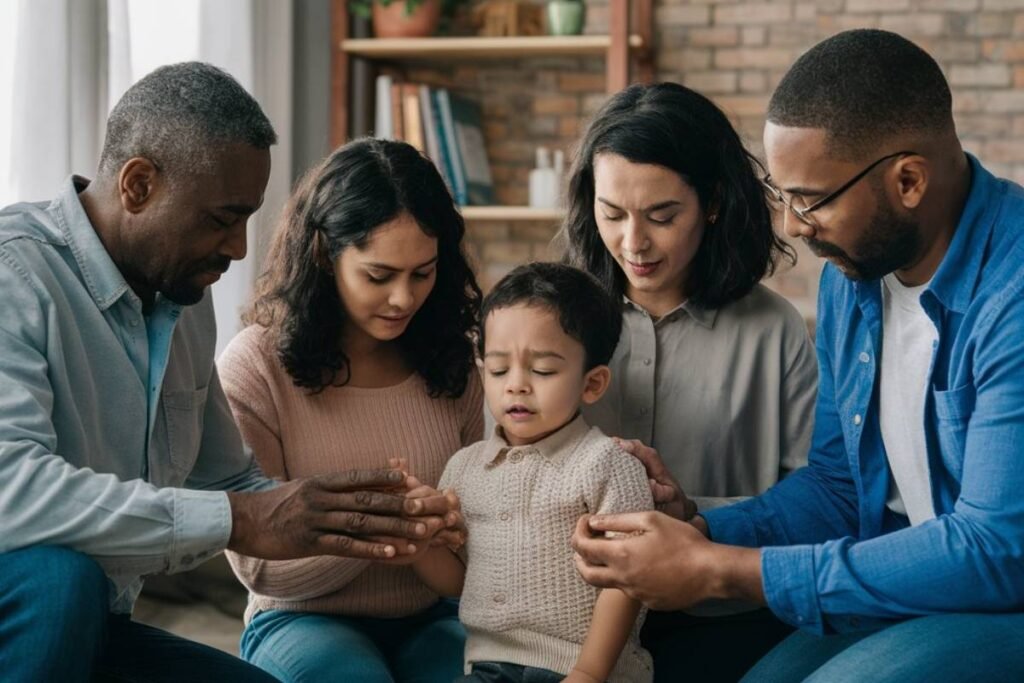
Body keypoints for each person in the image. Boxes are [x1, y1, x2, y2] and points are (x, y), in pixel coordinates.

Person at [573, 29, 1024, 682]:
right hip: (917, 594)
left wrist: (726, 570)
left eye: (810, 200)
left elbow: (996, 551)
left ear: (908, 180)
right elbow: (839, 489)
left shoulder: (1011, 286)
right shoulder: (854, 279)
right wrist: (700, 526)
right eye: (783, 197)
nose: (790, 226)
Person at [0, 63, 453, 683]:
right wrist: (245, 519)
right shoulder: (14, 277)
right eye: (222, 218)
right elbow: (10, 491)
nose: (240, 248)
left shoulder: (182, 297)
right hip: (34, 606)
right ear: (138, 185)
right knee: (62, 576)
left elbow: (229, 478)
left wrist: (355, 515)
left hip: (97, 622)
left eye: (247, 219)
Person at [560, 81, 818, 679]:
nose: (633, 242)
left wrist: (694, 514)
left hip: (728, 623)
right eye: (612, 213)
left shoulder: (774, 330)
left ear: (714, 201)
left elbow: (819, 500)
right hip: (570, 622)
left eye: (662, 215)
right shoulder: (557, 322)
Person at [219, 137, 484, 683]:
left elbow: (477, 545)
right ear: (323, 253)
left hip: (433, 613)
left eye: (423, 273)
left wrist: (447, 532)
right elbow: (259, 567)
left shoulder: (455, 362)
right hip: (299, 621)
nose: (404, 299)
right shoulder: (257, 365)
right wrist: (385, 530)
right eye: (379, 276)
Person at [410, 262, 656, 683]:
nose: (516, 385)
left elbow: (626, 583)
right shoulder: (465, 468)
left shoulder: (606, 464)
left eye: (542, 370)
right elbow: (458, 582)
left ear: (592, 384)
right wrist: (418, 541)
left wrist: (588, 673)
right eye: (499, 369)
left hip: (580, 667)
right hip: (486, 667)